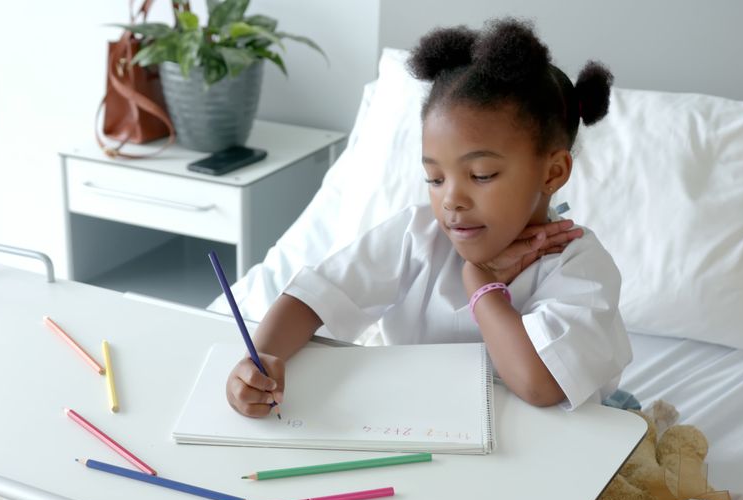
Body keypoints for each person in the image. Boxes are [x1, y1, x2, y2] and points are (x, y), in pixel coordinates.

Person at [226, 17, 632, 416]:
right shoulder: (417, 234)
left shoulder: (579, 266)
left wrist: (481, 284)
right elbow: (314, 296)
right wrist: (260, 358)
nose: (451, 199)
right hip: (428, 430)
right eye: (435, 178)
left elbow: (539, 384)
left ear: (553, 172)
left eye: (481, 175)